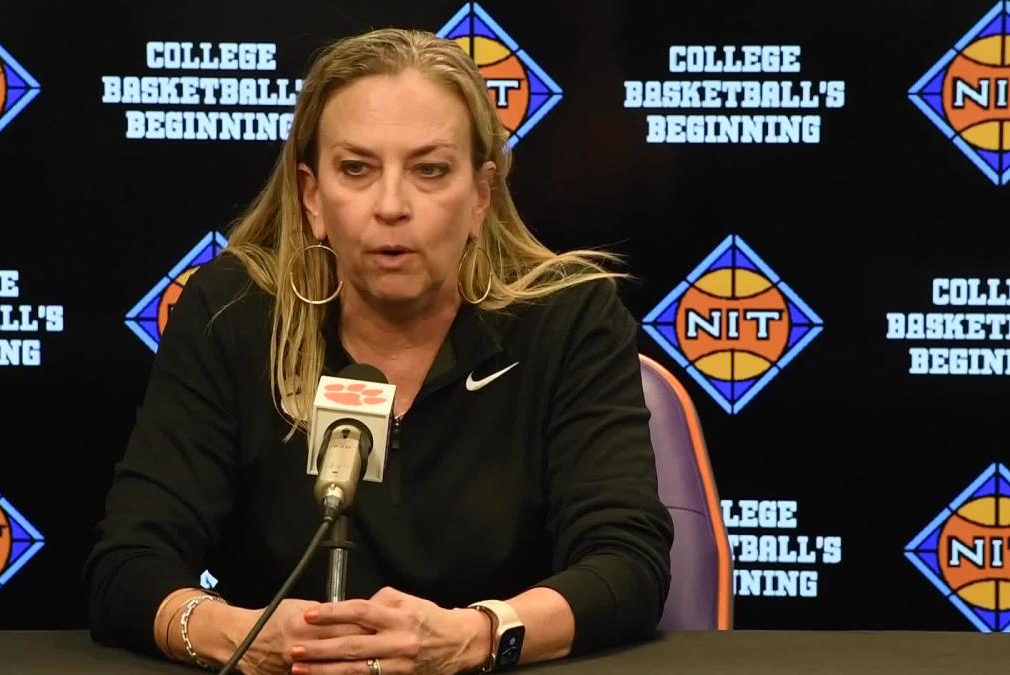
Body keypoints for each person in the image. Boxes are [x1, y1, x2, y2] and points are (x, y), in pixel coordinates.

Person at [84, 27, 672, 675]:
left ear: (480, 196)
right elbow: (128, 564)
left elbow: (628, 563)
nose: (392, 206)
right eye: (356, 169)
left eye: (430, 169)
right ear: (312, 196)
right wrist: (242, 635)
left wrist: (475, 636)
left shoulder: (567, 318)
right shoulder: (234, 312)